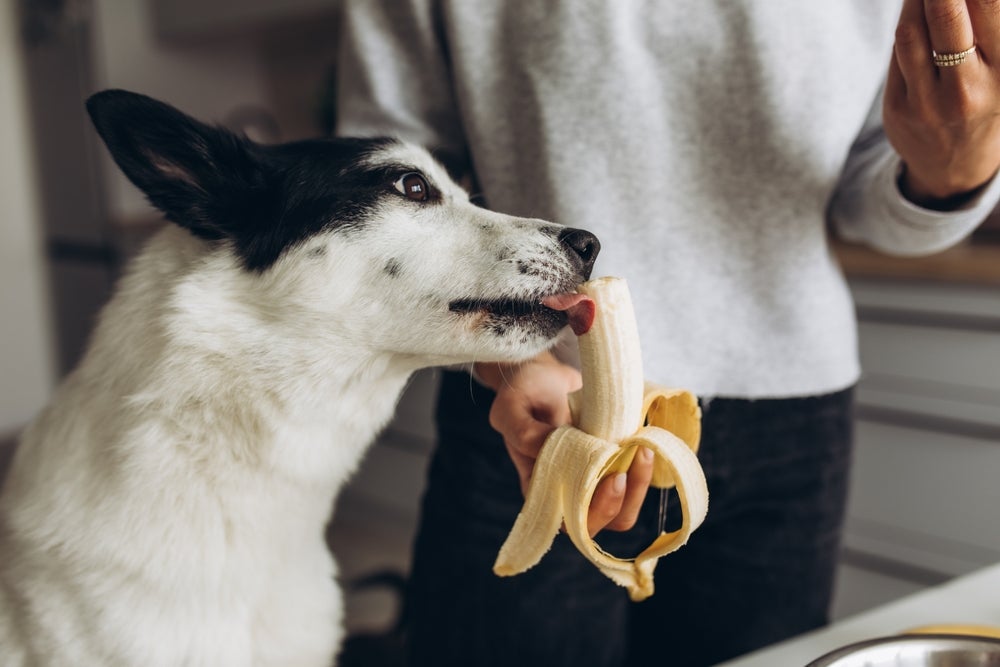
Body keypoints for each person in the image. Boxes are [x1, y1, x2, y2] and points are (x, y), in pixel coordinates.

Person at [334, 1, 1000, 665]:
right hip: (537, 410)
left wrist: (953, 172)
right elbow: (389, 176)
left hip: (793, 416)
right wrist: (510, 361)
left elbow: (867, 192)